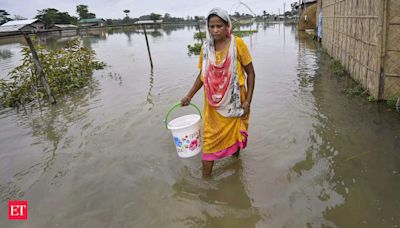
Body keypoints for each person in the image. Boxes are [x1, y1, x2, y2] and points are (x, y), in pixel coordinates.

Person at [181, 8, 255, 177]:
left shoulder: (238, 44)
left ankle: (237, 170)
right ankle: (206, 181)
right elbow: (202, 76)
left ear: (227, 26)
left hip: (236, 102)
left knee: (236, 135)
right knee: (209, 141)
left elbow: (251, 73)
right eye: (211, 26)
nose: (215, 30)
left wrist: (248, 102)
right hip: (213, 106)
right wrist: (189, 95)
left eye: (219, 26)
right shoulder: (206, 48)